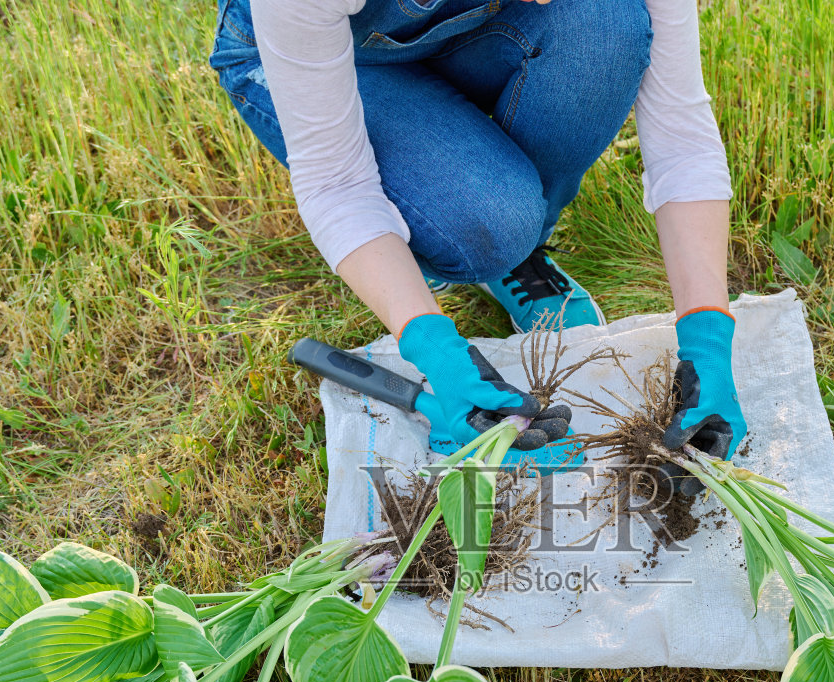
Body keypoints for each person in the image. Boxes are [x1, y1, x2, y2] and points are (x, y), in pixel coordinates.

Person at [209, 0, 745, 480]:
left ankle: (515, 249)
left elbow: (683, 140)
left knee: (608, 21)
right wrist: (435, 352)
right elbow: (337, 183)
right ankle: (478, 236)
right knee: (488, 223)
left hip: (465, 34)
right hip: (324, 60)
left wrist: (708, 340)